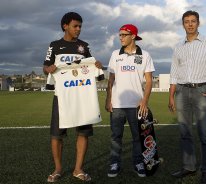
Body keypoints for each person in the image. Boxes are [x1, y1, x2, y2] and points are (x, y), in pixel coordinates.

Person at [43, 12, 102, 182]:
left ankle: (78, 169)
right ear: (65, 26)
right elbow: (45, 66)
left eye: (80, 26)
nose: (78, 29)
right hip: (61, 96)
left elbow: (93, 65)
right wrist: (49, 69)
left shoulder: (84, 46)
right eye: (75, 26)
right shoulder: (54, 45)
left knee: (83, 133)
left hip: (83, 97)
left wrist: (97, 65)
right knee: (56, 135)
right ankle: (58, 169)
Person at [168, 10, 206, 184]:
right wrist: (171, 96)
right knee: (185, 133)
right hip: (181, 92)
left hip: (202, 91)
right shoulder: (178, 46)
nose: (190, 24)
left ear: (198, 23)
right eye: (186, 21)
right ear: (183, 24)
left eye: (193, 21)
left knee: (204, 133)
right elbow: (174, 73)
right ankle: (189, 167)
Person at [105, 24, 155, 178]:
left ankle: (138, 162)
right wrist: (108, 99)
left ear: (133, 36)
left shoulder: (145, 55)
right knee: (116, 137)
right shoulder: (115, 54)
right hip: (117, 104)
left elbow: (149, 81)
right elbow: (111, 80)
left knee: (137, 137)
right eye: (120, 35)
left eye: (124, 35)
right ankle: (115, 163)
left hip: (136, 105)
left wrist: (144, 101)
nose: (120, 38)